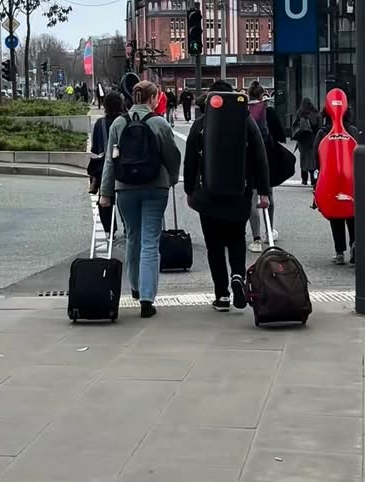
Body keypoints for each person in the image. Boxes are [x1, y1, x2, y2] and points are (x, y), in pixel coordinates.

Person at [184, 79, 270, 311]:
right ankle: (238, 277)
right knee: (236, 239)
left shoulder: (201, 124)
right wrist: (263, 191)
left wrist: (189, 190)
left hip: (208, 196)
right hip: (238, 194)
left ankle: (221, 295)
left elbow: (190, 158)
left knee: (214, 246)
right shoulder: (247, 122)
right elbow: (260, 157)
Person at [100, 80, 181, 317]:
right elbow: (172, 155)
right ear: (152, 98)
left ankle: (135, 287)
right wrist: (173, 178)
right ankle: (147, 298)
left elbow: (109, 160)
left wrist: (106, 193)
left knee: (133, 237)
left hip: (125, 187)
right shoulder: (159, 123)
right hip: (155, 187)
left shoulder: (118, 123)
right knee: (150, 241)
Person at [314, 105, 359, 264]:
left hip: (330, 178)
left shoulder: (323, 132)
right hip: (351, 178)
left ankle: (339, 253)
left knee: (335, 214)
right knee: (352, 214)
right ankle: (355, 247)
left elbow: (317, 157)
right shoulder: (352, 131)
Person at [247, 81, 286, 253]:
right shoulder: (268, 111)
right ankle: (269, 231)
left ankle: (255, 238)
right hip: (266, 157)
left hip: (248, 158)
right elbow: (281, 134)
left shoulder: (244, 111)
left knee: (252, 197)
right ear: (263, 95)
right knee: (268, 193)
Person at [89, 91, 124, 237]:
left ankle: (110, 230)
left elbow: (95, 149)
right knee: (124, 198)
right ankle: (128, 227)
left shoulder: (100, 124)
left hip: (104, 166)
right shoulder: (124, 121)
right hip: (124, 165)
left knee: (105, 198)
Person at [292, 97, 321, 185]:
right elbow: (319, 127)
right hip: (313, 139)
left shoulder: (300, 113)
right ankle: (313, 179)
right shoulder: (316, 114)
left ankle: (304, 179)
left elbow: (294, 124)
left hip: (302, 140)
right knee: (312, 160)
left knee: (303, 159)